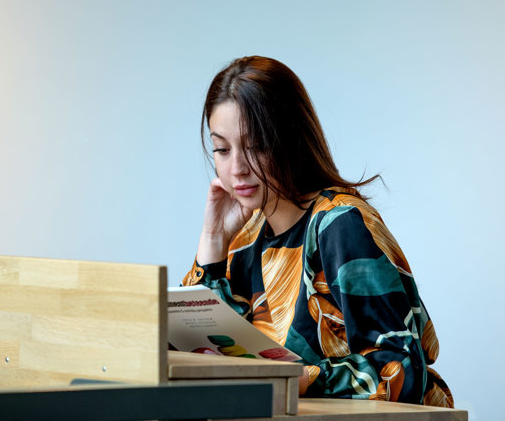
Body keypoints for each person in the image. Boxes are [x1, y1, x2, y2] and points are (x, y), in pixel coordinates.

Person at [182, 56, 452, 407]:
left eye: (256, 146)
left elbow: (402, 368)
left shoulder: (340, 223)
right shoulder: (245, 238)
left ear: (291, 139)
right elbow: (197, 352)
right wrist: (213, 240)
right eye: (222, 149)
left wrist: (295, 378)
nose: (237, 168)